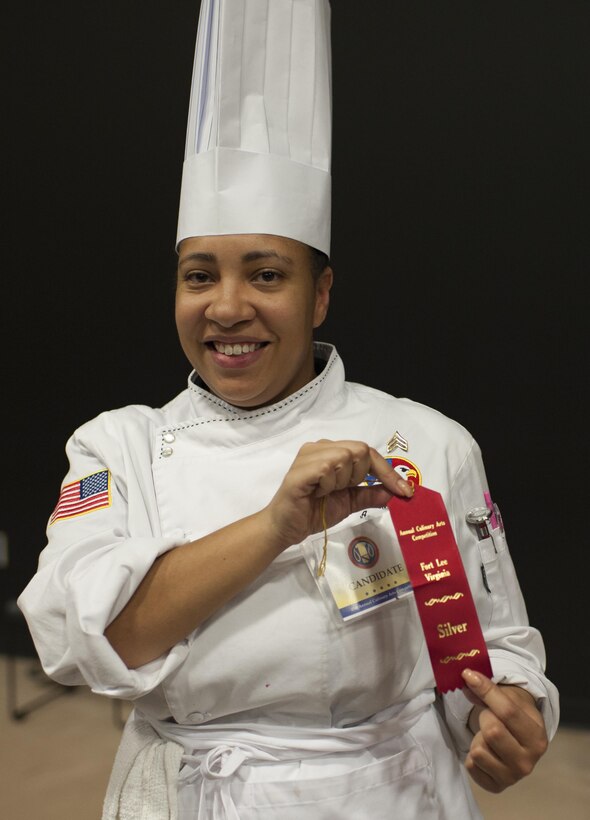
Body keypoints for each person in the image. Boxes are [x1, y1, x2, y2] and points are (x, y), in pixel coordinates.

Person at [18, 2, 558, 818]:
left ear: (320, 295)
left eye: (265, 275)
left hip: (393, 794)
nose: (226, 308)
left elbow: (497, 643)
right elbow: (89, 643)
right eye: (199, 276)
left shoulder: (426, 441)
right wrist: (276, 523)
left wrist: (511, 713)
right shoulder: (117, 446)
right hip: (196, 796)